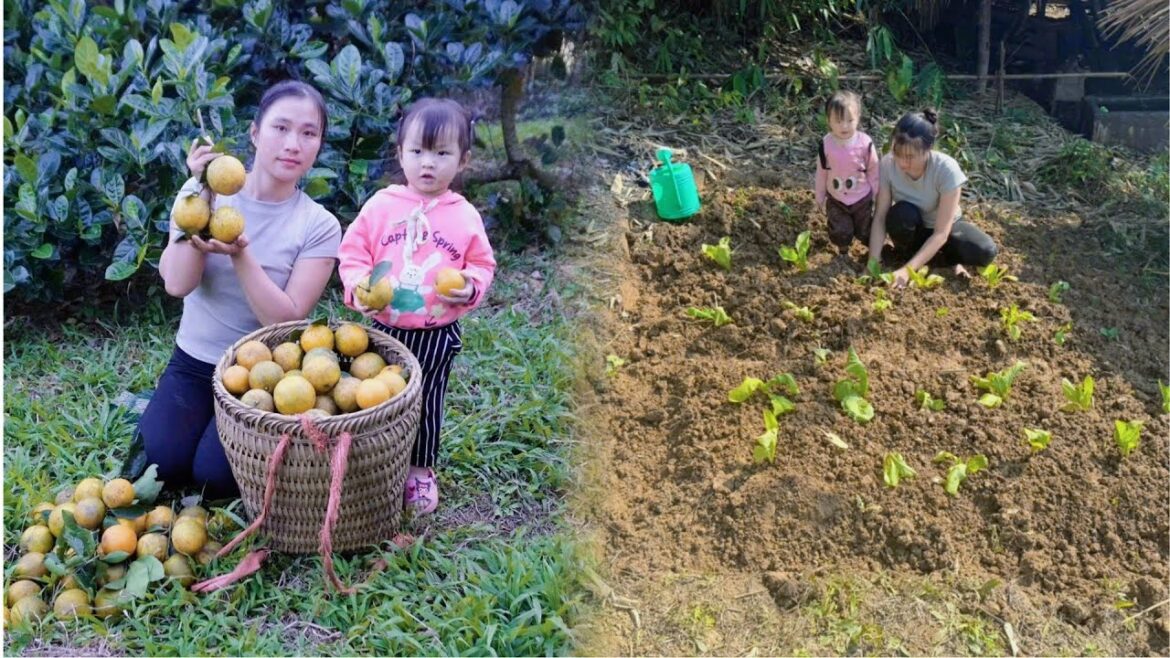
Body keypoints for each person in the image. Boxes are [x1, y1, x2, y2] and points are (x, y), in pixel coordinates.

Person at [139, 80, 341, 499]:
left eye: (309, 133)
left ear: (319, 144)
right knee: (159, 464)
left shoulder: (319, 225)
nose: (293, 144)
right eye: (280, 128)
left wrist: (239, 253)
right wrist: (199, 196)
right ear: (254, 133)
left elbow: (285, 321)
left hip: (261, 376)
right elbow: (177, 283)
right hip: (194, 363)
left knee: (214, 479)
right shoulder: (203, 194)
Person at [338, 98, 497, 515]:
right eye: (417, 152)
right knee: (372, 398)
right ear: (400, 154)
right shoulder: (381, 206)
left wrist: (470, 286)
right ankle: (373, 462)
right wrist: (358, 285)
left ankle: (420, 470)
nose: (429, 163)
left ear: (463, 160)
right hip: (379, 328)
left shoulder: (464, 217)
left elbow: (482, 263)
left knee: (425, 400)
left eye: (442, 153)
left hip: (434, 331)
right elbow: (353, 253)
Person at [867, 108, 997, 288]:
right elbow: (880, 216)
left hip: (944, 231)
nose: (903, 163)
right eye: (898, 154)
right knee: (900, 215)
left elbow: (941, 233)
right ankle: (918, 259)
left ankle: (948, 262)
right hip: (913, 228)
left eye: (910, 156)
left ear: (928, 149)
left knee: (985, 251)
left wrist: (906, 272)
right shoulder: (888, 165)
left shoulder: (946, 170)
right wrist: (872, 262)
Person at [814, 90, 879, 254]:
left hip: (862, 198)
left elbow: (873, 170)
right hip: (836, 198)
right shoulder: (826, 144)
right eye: (838, 121)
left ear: (858, 118)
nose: (844, 126)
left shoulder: (865, 143)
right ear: (828, 121)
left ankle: (873, 252)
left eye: (850, 120)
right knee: (840, 229)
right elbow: (822, 172)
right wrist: (820, 196)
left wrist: (878, 193)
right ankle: (843, 251)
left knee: (865, 229)